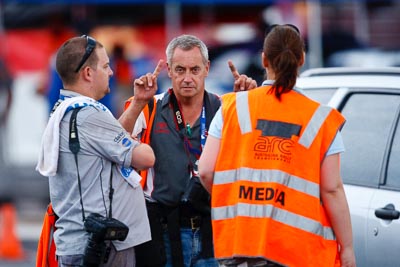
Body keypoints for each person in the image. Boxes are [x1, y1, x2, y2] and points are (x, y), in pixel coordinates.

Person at [198, 24, 356, 267]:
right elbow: (332, 190)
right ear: (301, 59)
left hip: (240, 243)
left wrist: (236, 200)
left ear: (264, 60)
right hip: (297, 249)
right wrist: (347, 249)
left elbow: (207, 171)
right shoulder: (321, 119)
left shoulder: (231, 107)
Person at [121, 34, 257, 267]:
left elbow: (252, 151)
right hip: (163, 233)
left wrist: (247, 103)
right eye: (180, 70)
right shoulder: (150, 105)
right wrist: (137, 103)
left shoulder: (226, 107)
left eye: (194, 70)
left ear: (206, 69)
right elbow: (114, 141)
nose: (187, 78)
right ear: (169, 71)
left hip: (213, 232)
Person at [36, 35, 155, 267]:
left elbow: (108, 141)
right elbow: (145, 158)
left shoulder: (67, 109)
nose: (111, 72)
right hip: (99, 247)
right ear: (88, 73)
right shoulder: (89, 114)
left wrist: (139, 103)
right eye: (105, 66)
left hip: (84, 243)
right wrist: (139, 141)